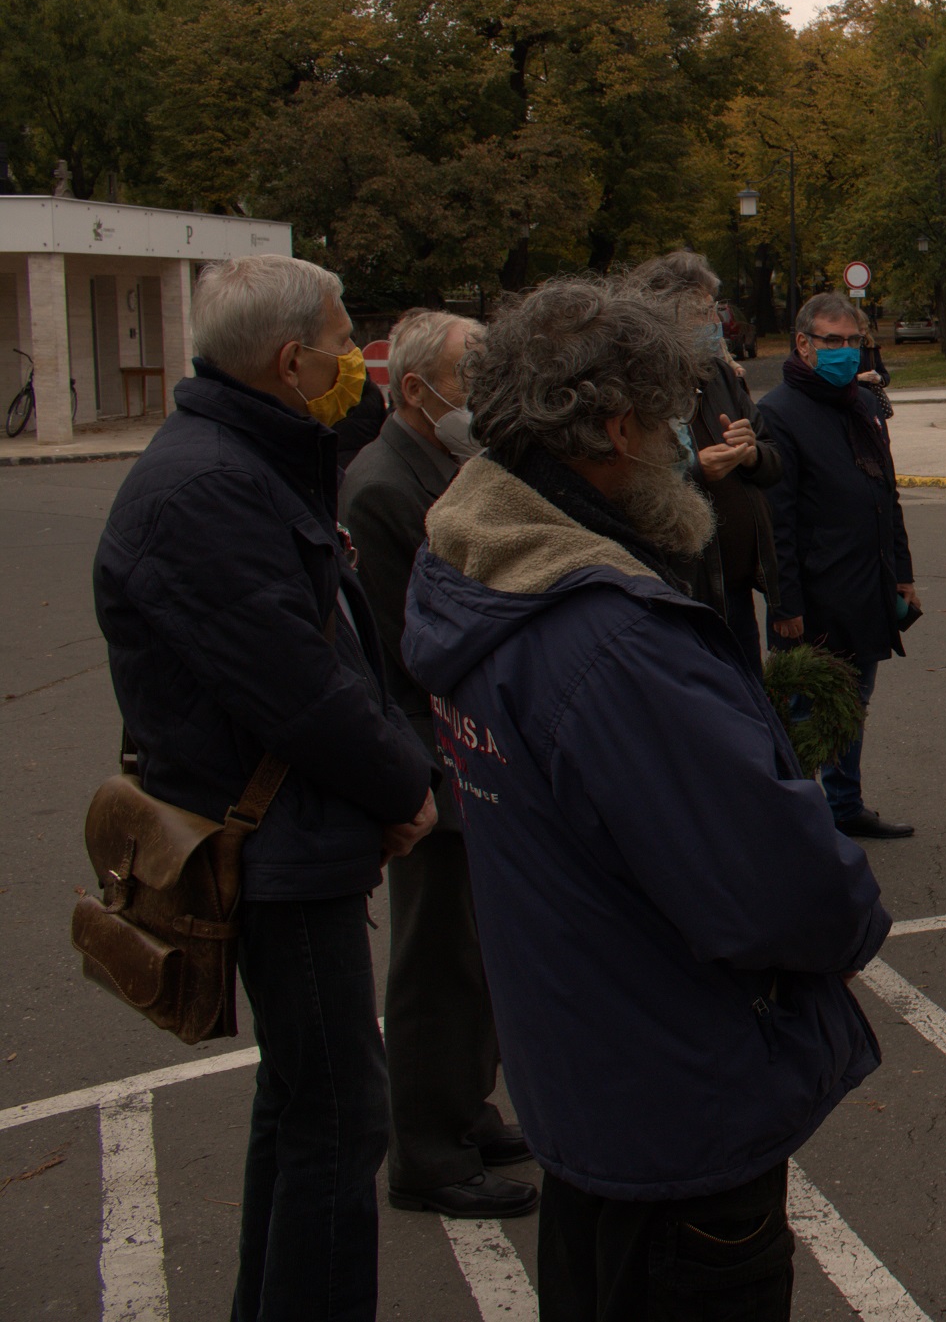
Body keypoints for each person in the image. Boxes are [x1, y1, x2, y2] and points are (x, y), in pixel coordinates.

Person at [401, 276, 890, 1322]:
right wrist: (849, 900)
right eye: (669, 415)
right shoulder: (610, 643)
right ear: (615, 427)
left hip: (583, 1073)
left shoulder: (475, 567)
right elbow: (776, 887)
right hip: (673, 1100)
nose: (683, 438)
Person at [93, 254, 439, 1321]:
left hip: (292, 832)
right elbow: (300, 688)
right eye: (343, 341)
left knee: (302, 1102)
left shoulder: (245, 457)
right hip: (277, 845)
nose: (354, 362)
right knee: (341, 1114)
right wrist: (403, 788)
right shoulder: (207, 487)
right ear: (292, 361)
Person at [335, 308, 534, 1221]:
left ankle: (464, 1108)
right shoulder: (382, 484)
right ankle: (424, 1149)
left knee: (480, 955)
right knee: (437, 962)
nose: (485, 395)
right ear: (416, 391)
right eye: (473, 376)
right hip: (432, 753)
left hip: (469, 742)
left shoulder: (448, 464)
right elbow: (397, 649)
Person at [758, 292, 920, 839]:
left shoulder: (864, 406)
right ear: (804, 344)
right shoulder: (778, 413)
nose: (846, 352)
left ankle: (845, 808)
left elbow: (886, 495)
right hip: (813, 596)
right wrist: (784, 605)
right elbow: (775, 522)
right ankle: (799, 822)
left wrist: (902, 572)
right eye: (833, 342)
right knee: (807, 711)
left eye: (854, 342)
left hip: (866, 584)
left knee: (854, 704)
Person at [628, 251, 784, 660]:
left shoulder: (718, 377)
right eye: (701, 313)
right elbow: (628, 487)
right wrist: (697, 471)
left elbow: (773, 460)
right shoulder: (637, 388)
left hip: (734, 588)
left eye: (714, 310)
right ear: (661, 318)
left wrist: (751, 454)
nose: (715, 323)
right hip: (680, 589)